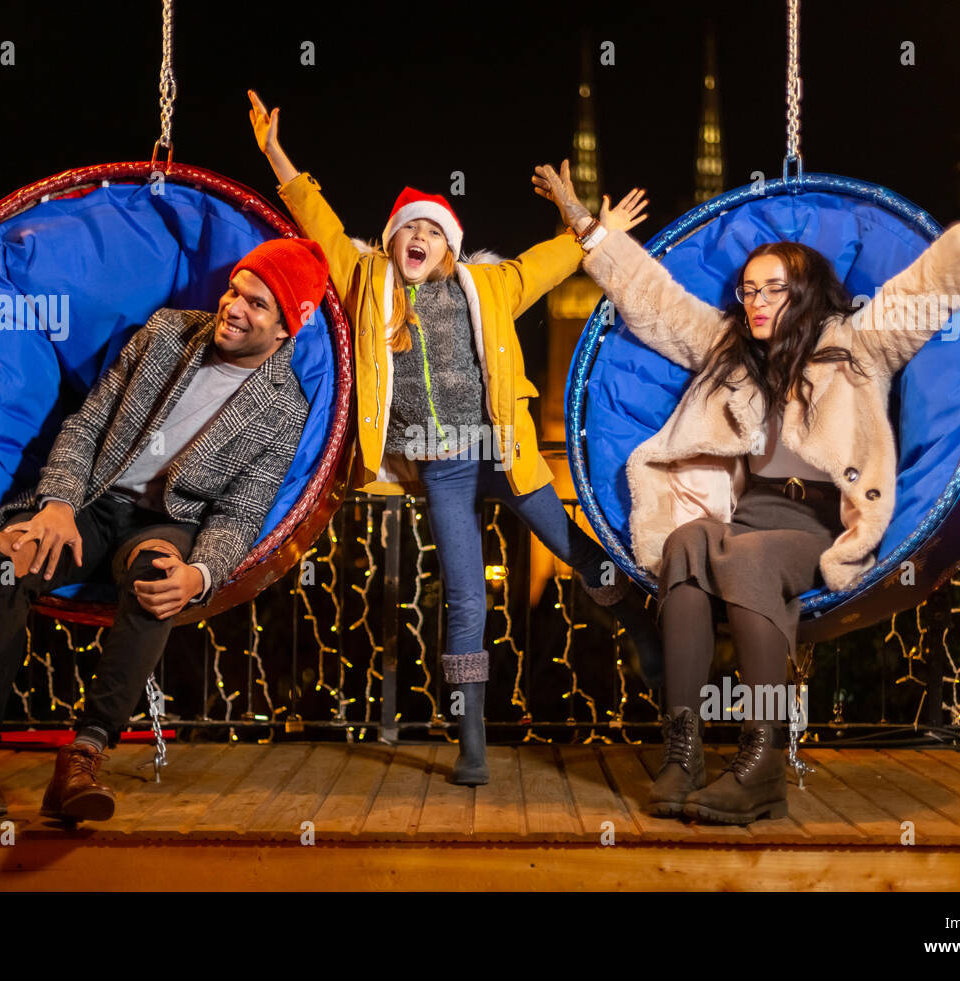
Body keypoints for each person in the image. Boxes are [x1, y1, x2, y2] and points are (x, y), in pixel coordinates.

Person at [534, 139, 960, 823]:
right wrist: (584, 222)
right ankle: (684, 752)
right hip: (747, 513)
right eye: (747, 289)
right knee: (687, 545)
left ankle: (761, 763)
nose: (755, 301)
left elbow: (934, 284)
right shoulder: (725, 346)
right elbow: (652, 300)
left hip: (819, 520)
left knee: (744, 553)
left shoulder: (861, 343)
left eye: (771, 289)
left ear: (807, 290)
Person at [248, 90, 660, 786]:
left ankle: (642, 630)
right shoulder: (366, 281)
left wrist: (593, 221)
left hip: (503, 450)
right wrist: (275, 154)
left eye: (432, 232)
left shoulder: (488, 285)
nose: (419, 239)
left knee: (573, 547)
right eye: (409, 228)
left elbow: (555, 260)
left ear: (449, 245)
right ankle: (471, 736)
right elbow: (316, 220)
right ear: (391, 238)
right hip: (441, 468)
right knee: (466, 598)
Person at [0, 238, 328, 825]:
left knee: (157, 579)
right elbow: (86, 426)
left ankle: (84, 757)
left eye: (257, 305)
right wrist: (57, 504)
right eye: (235, 290)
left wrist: (201, 573)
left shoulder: (284, 408)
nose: (234, 308)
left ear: (288, 327)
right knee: (7, 560)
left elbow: (239, 512)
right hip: (97, 499)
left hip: (170, 522)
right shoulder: (166, 332)